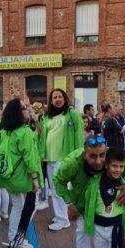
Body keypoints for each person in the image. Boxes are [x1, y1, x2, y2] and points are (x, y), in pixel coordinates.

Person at [0, 99, 42, 248]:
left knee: (17, 205)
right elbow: (30, 158)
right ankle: (17, 238)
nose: (27, 109)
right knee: (28, 206)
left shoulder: (4, 132)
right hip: (22, 177)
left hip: (8, 176)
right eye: (24, 107)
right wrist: (35, 179)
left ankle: (14, 237)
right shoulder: (24, 132)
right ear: (18, 112)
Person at [39, 88, 84, 231]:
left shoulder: (72, 114)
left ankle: (63, 219)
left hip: (64, 158)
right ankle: (61, 215)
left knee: (60, 188)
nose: (57, 99)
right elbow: (43, 136)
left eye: (60, 96)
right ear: (51, 101)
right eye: (54, 97)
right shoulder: (47, 116)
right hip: (50, 159)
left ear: (64, 98)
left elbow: (79, 135)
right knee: (54, 189)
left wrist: (79, 155)